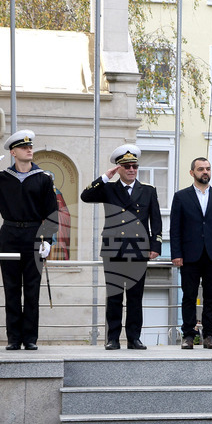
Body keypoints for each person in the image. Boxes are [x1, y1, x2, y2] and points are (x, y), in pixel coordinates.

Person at [0, 129, 58, 350]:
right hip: (9, 235)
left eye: (30, 146)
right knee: (11, 288)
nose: (29, 149)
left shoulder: (43, 178)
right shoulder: (2, 178)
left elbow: (51, 212)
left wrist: (48, 240)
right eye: (24, 147)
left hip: (34, 235)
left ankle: (30, 338)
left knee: (32, 289)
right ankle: (14, 338)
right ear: (13, 152)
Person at [80, 144, 163, 350]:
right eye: (127, 166)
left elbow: (156, 220)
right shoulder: (108, 188)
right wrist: (104, 177)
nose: (132, 170)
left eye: (135, 166)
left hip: (138, 249)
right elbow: (85, 196)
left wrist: (155, 245)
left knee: (135, 297)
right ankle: (113, 338)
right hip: (114, 248)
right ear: (119, 169)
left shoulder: (148, 190)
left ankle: (134, 338)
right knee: (114, 296)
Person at [170, 157, 212, 349]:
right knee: (189, 296)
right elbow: (175, 228)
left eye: (207, 168)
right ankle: (188, 335)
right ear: (192, 173)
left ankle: (209, 335)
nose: (205, 172)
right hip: (189, 254)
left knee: (211, 297)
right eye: (200, 169)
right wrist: (176, 253)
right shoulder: (181, 196)